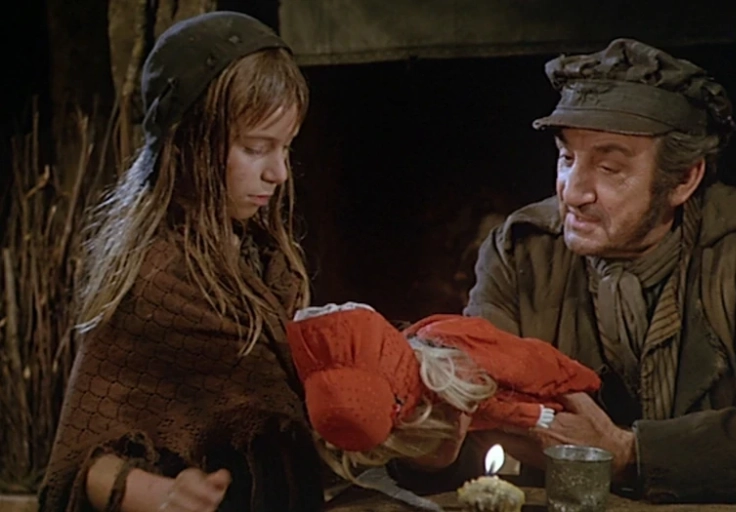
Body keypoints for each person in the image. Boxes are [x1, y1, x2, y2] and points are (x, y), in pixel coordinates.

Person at [398, 38, 736, 503]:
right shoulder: (521, 252)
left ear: (683, 179)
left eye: (609, 167)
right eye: (567, 158)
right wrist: (426, 431)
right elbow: (474, 423)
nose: (573, 192)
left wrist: (631, 453)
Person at [39, 12, 325, 512]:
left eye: (285, 148)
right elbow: (78, 464)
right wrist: (162, 493)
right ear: (192, 144)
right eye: (256, 148)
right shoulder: (153, 278)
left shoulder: (267, 260)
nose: (279, 172)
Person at [284, 301, 601, 480]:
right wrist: (534, 415)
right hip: (553, 418)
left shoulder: (434, 366)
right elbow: (491, 401)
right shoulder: (444, 371)